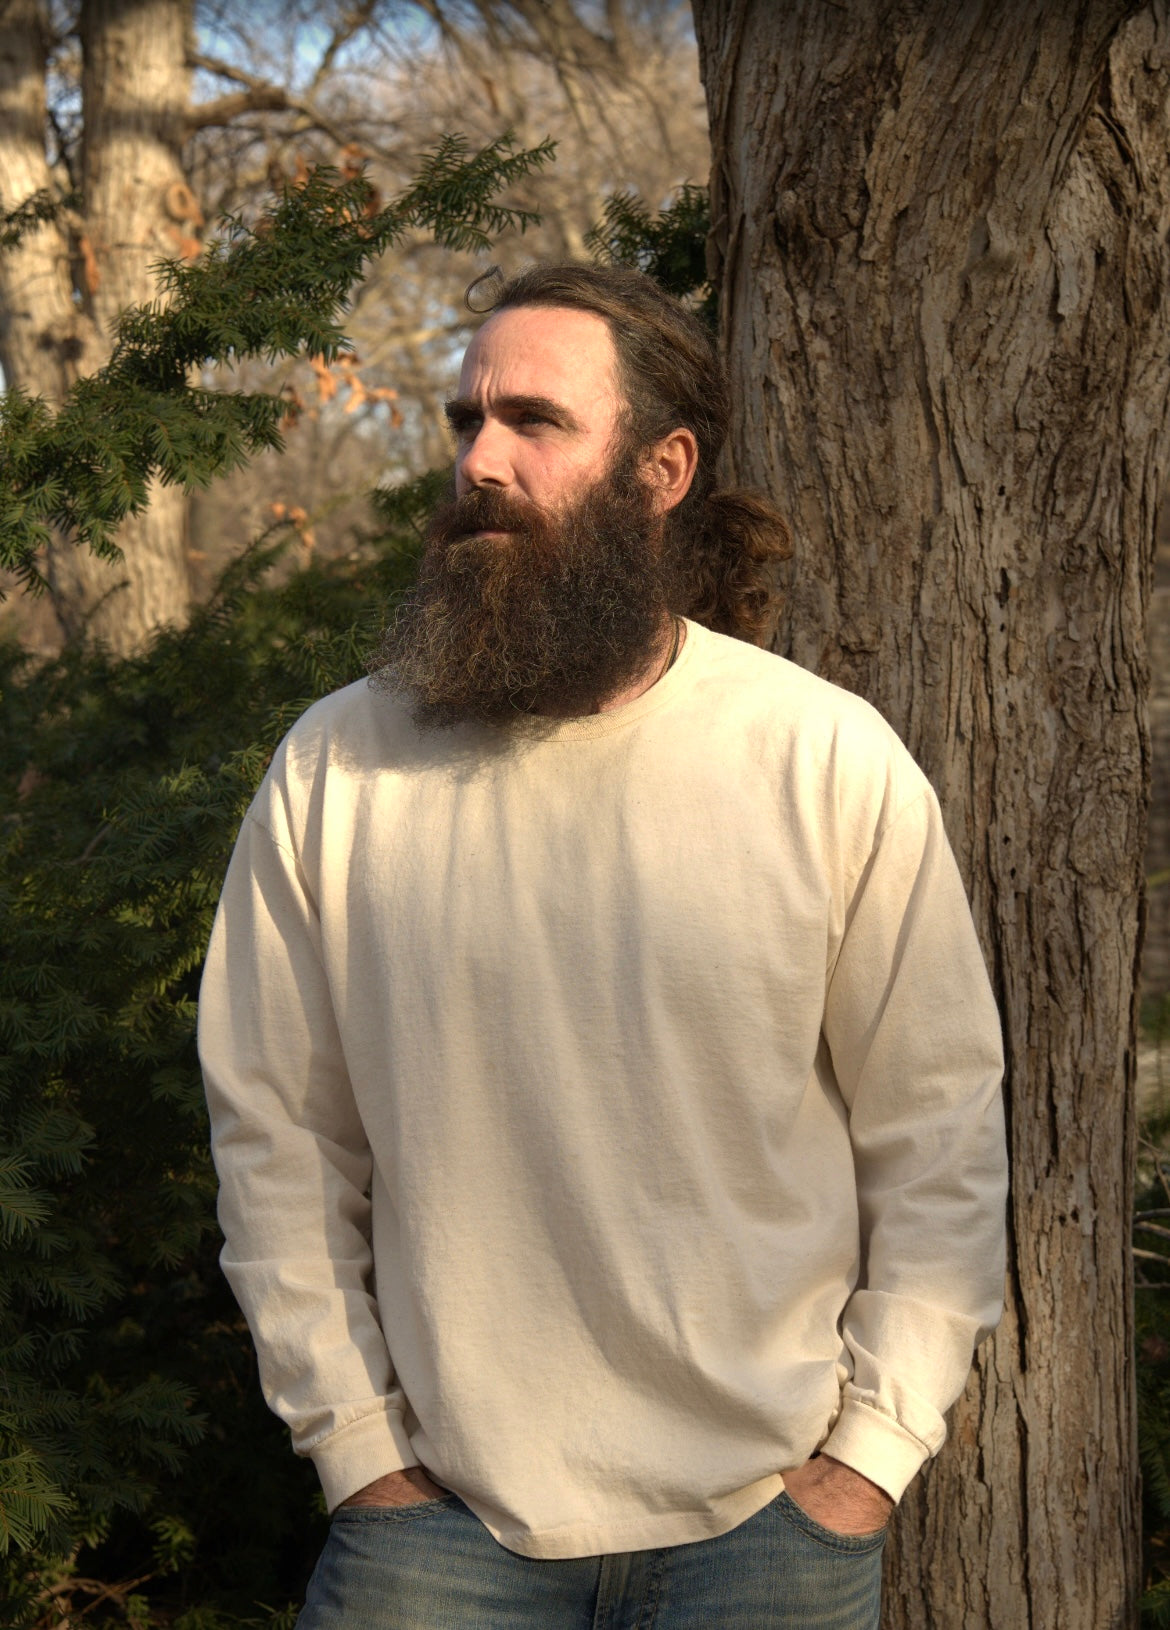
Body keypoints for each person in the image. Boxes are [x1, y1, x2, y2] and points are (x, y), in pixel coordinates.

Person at [198, 262, 1008, 1630]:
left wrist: (866, 1460)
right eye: (466, 421)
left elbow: (935, 1132)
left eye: (533, 420)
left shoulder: (816, 756)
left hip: (764, 1535)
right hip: (435, 1536)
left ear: (661, 466)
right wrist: (358, 1451)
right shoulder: (341, 762)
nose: (481, 460)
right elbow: (279, 1134)